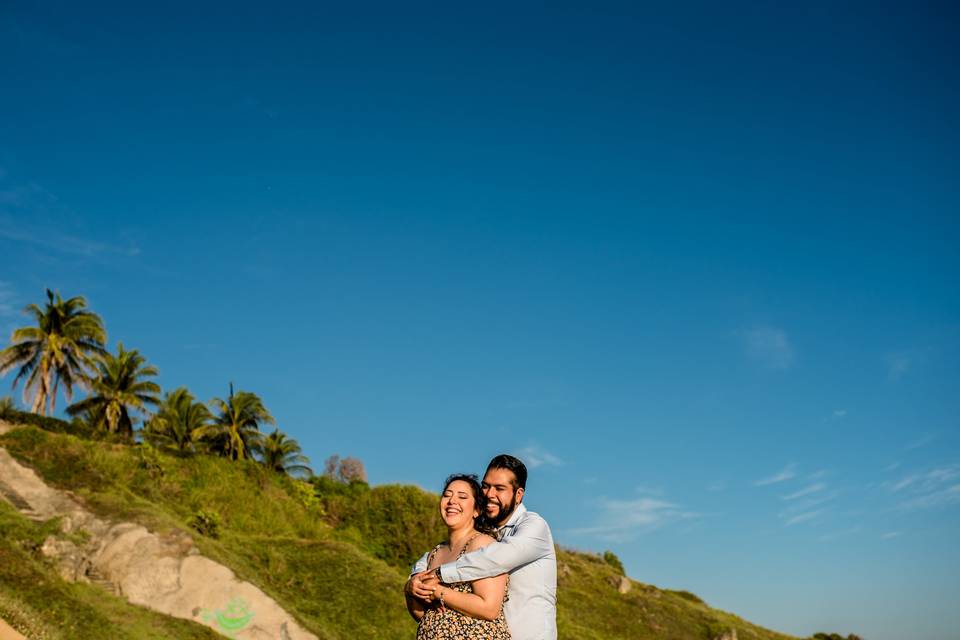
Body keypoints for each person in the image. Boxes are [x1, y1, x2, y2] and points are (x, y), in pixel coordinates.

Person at [406, 455, 557, 640]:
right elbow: (432, 556)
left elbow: (493, 559)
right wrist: (414, 579)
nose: (489, 494)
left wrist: (438, 577)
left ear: (518, 495)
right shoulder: (486, 532)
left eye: (499, 488)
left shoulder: (534, 527)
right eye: (486, 486)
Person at [406, 473, 511, 639]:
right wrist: (410, 589)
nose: (452, 501)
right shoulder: (435, 553)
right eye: (447, 495)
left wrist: (437, 591)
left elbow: (489, 608)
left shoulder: (482, 545)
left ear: (477, 510)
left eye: (462, 497)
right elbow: (424, 615)